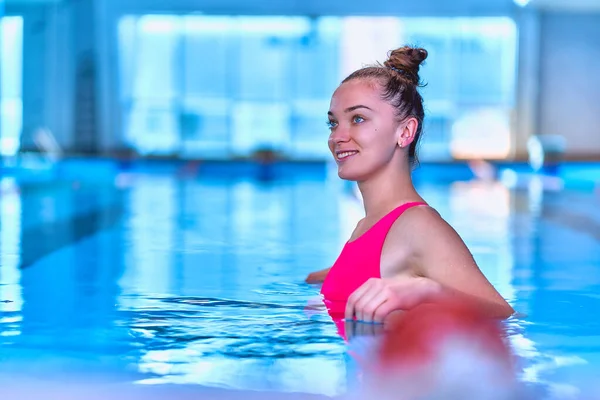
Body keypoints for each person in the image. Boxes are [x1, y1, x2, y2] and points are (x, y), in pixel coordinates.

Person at [305, 46, 514, 328]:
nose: (337, 137)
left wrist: (429, 291)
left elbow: (505, 316)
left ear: (405, 132)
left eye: (358, 119)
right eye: (333, 123)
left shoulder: (418, 224)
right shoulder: (368, 225)